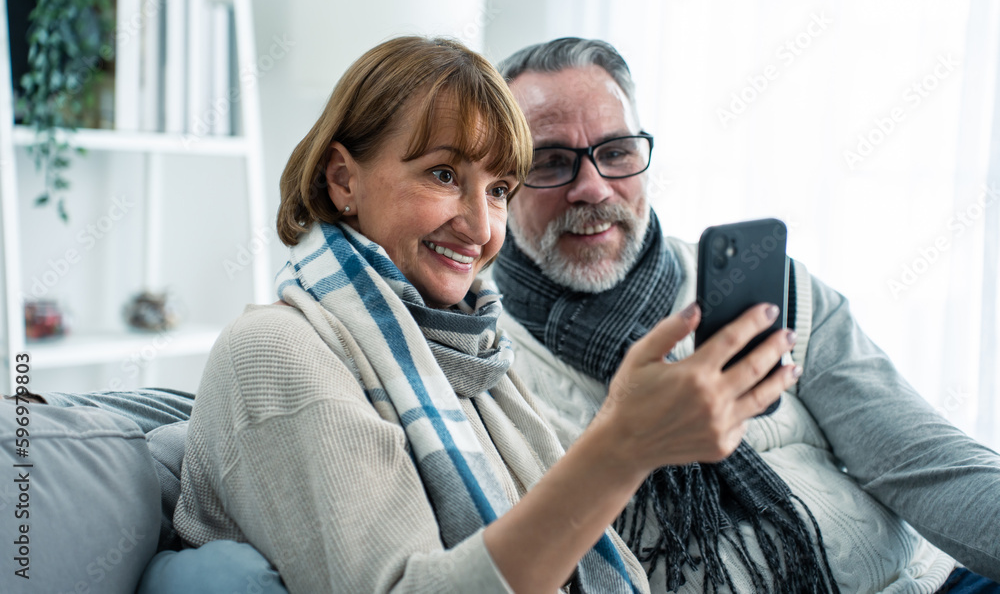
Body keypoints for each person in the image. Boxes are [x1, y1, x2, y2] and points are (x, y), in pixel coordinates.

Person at [158, 35, 809, 594]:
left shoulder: (475, 350)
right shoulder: (276, 348)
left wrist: (628, 436)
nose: (480, 225)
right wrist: (624, 447)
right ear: (342, 179)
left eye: (499, 188)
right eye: (444, 174)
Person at [488, 37, 1000, 593]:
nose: (592, 187)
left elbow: (922, 464)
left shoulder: (773, 285)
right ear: (503, 180)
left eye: (616, 152)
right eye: (551, 162)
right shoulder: (483, 359)